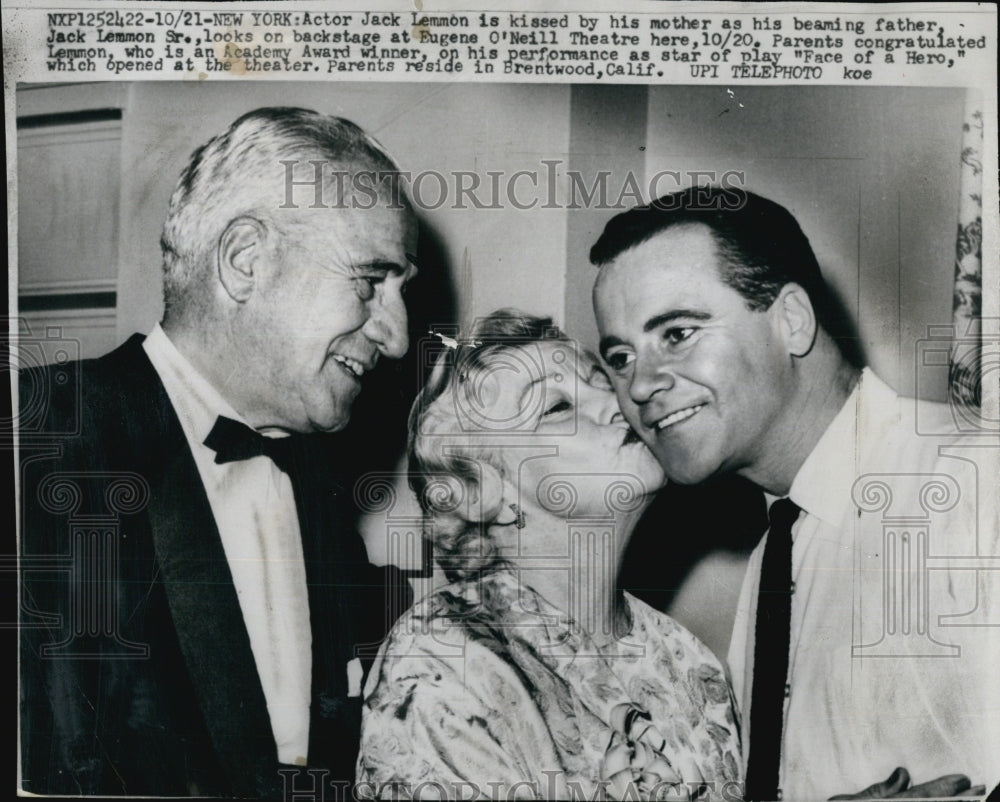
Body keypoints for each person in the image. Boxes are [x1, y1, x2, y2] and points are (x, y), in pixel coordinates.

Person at [18, 107, 418, 796]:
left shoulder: (320, 481)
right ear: (246, 261)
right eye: (371, 281)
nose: (399, 335)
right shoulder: (38, 440)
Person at [591, 186, 999, 800]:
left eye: (677, 334)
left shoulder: (973, 475)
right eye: (620, 357)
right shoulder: (776, 551)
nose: (641, 385)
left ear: (791, 321)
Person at [356, 310, 743, 801]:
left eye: (602, 382)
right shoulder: (441, 662)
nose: (616, 404)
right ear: (482, 492)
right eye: (557, 406)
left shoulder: (690, 661)